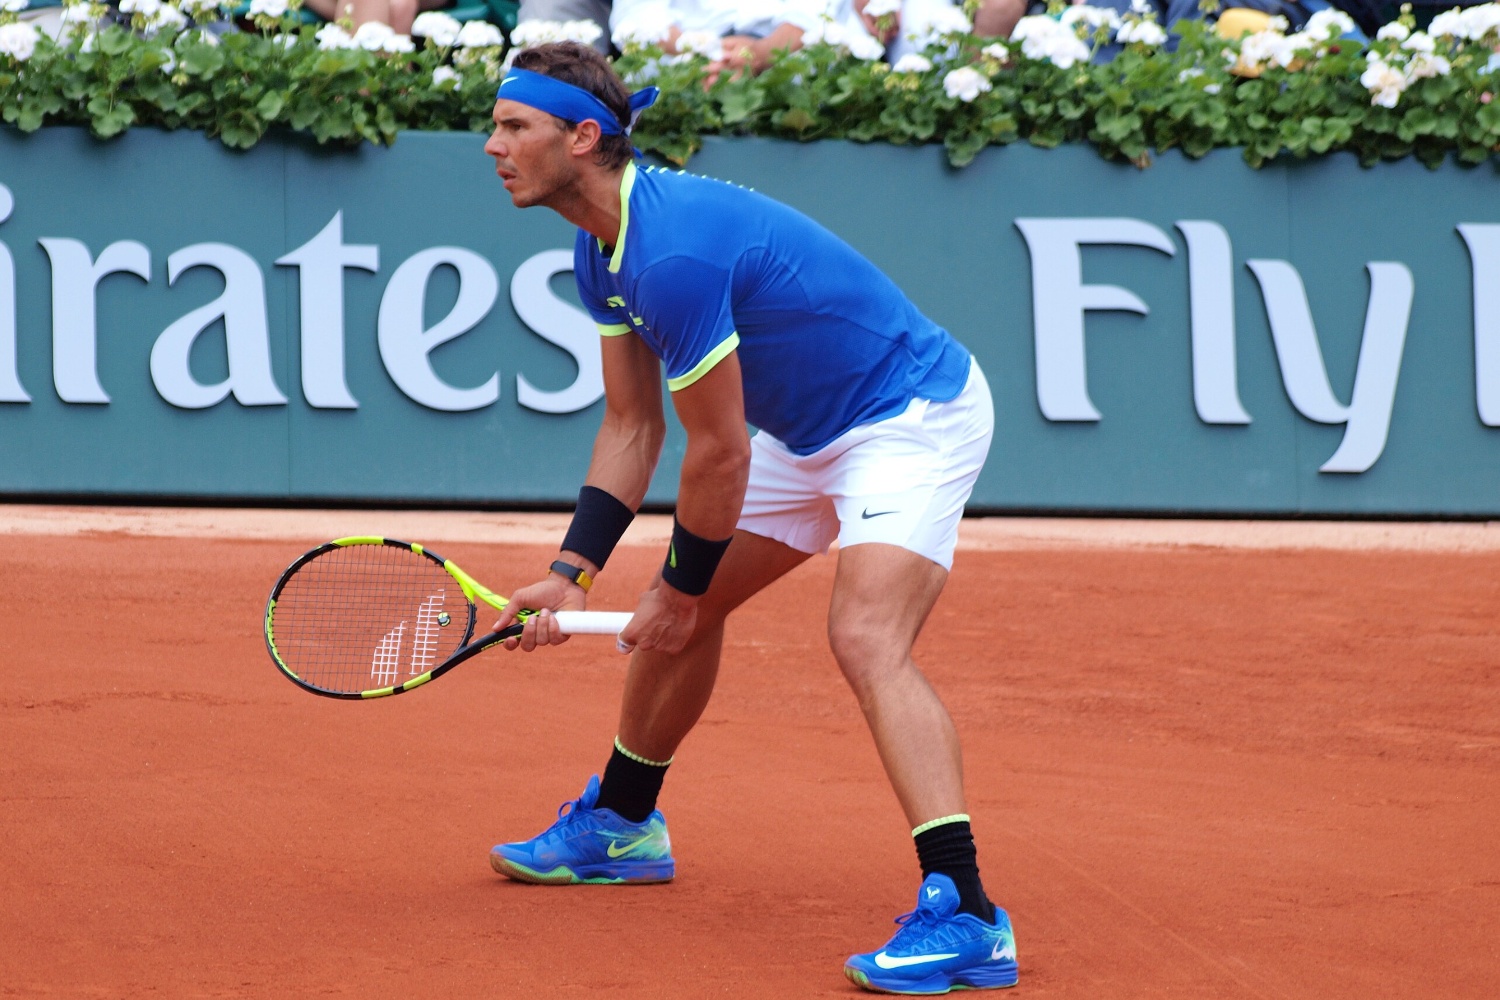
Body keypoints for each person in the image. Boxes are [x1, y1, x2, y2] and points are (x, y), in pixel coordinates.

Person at [482, 40, 1016, 995]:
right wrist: (571, 573)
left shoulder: (671, 253)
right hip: (802, 433)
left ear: (584, 136)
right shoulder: (597, 253)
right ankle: (624, 823)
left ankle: (969, 911)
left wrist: (683, 592)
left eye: (515, 125)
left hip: (908, 413)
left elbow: (719, 453)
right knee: (676, 606)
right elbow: (632, 423)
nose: (494, 145)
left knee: (862, 636)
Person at [609, 0, 825, 79]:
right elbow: (636, 18)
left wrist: (760, 54)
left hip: (778, 52)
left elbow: (813, 12)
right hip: (680, 54)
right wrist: (706, 52)